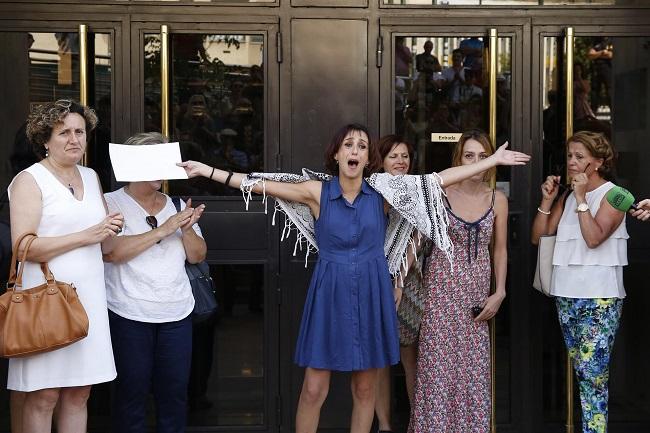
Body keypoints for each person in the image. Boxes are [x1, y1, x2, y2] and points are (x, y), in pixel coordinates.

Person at [178, 123, 529, 433]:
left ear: (367, 157)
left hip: (372, 292)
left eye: (362, 146)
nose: (355, 150)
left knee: (364, 389)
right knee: (314, 389)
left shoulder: (383, 192)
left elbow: (435, 181)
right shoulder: (317, 192)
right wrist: (207, 170)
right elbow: (259, 185)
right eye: (349, 144)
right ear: (336, 154)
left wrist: (491, 162)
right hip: (330, 292)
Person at [7, 99, 124, 433]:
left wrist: (112, 228)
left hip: (88, 300)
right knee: (44, 396)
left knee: (79, 394)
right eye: (64, 133)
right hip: (47, 301)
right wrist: (87, 234)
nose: (74, 139)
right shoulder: (30, 180)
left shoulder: (91, 176)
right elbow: (23, 247)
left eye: (80, 131)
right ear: (45, 139)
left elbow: (106, 244)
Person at [102, 132, 207, 433]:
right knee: (130, 396)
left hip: (177, 313)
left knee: (174, 396)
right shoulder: (110, 203)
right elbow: (113, 253)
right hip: (128, 314)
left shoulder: (176, 204)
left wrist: (186, 229)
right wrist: (165, 229)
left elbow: (198, 256)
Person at [409, 130, 508, 433]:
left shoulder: (497, 199)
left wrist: (500, 291)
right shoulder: (440, 193)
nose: (476, 162)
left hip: (475, 301)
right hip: (440, 297)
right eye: (469, 156)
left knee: (471, 375)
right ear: (459, 159)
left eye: (483, 156)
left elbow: (500, 249)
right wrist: (395, 282)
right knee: (437, 374)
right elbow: (414, 242)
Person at [531, 131, 627, 433]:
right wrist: (547, 201)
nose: (572, 162)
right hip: (566, 293)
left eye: (580, 157)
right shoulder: (567, 196)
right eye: (570, 155)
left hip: (599, 297)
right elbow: (538, 237)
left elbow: (594, 237)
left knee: (593, 375)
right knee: (584, 373)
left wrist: (584, 199)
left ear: (597, 162)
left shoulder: (616, 195)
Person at [373, 136, 429, 433]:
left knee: (411, 360)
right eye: (393, 156)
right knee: (379, 361)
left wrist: (399, 279)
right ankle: (384, 425)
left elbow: (417, 241)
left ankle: (417, 423)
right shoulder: (371, 194)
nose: (400, 161)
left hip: (410, 288)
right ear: (381, 160)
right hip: (374, 286)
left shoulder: (419, 196)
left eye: (405, 156)